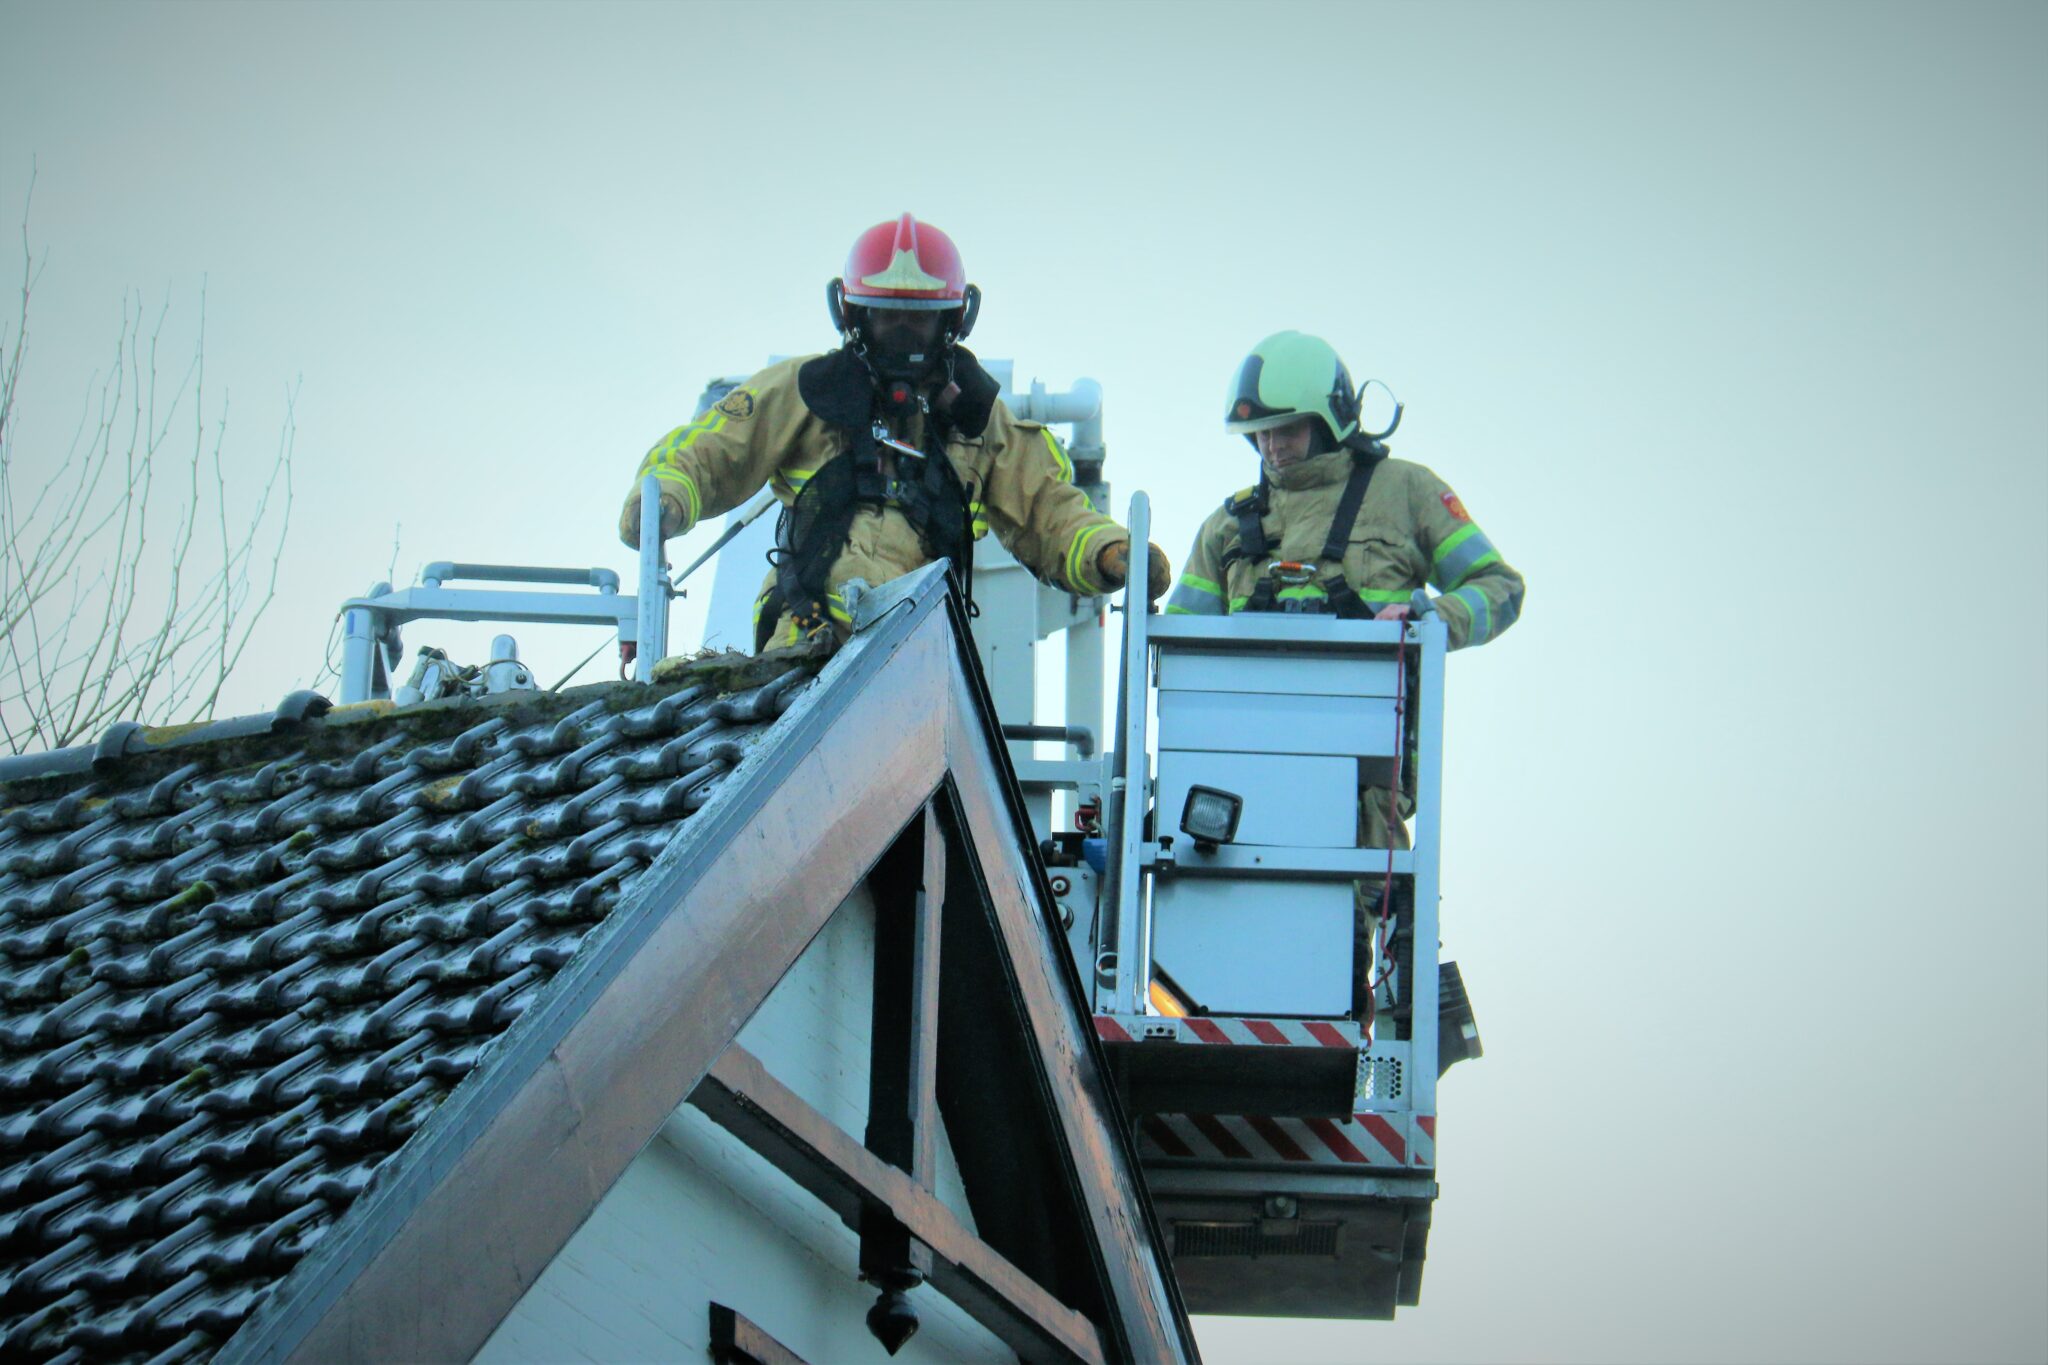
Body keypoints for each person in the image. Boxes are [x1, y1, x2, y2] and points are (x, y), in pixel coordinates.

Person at [620, 213, 1169, 652]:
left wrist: (1107, 551)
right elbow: (713, 449)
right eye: (887, 317)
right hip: (801, 644)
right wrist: (665, 496)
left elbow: (1051, 511)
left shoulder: (986, 426)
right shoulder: (803, 392)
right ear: (855, 315)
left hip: (917, 660)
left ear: (951, 322)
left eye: (919, 318)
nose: (902, 332)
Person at [1167, 330, 1526, 850]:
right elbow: (1181, 648)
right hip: (1242, 774)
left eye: (1288, 429)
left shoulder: (1407, 491)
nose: (1273, 445)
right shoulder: (1226, 525)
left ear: (1331, 420)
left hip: (1368, 776)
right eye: (1262, 432)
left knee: (1360, 915)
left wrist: (1434, 617)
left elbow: (1501, 588)